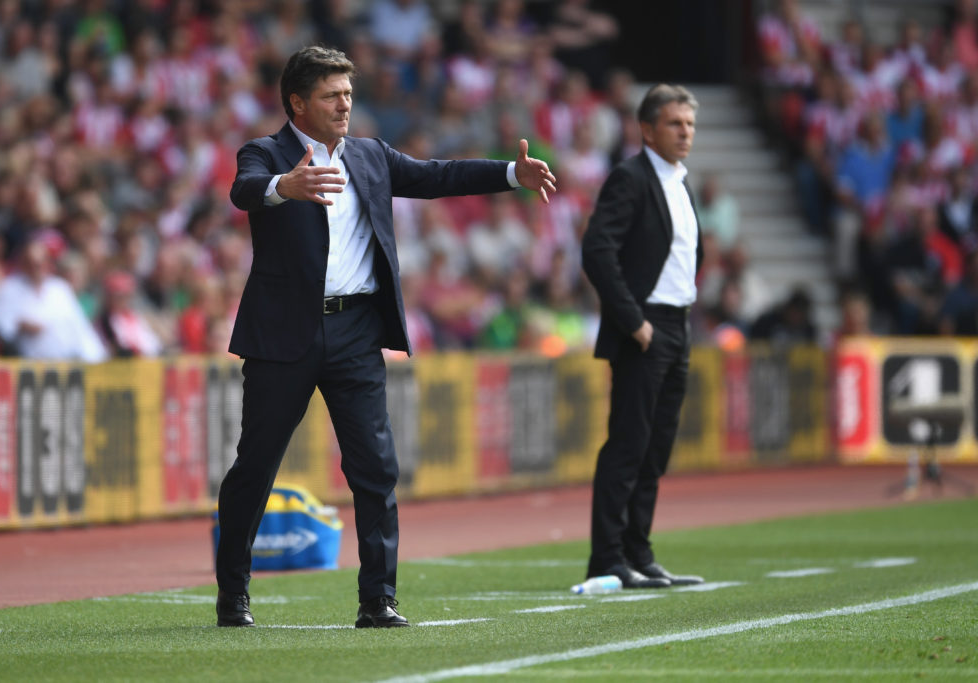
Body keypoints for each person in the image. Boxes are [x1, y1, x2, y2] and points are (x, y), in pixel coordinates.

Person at [216, 45, 555, 628]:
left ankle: (378, 599)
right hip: (283, 336)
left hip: (355, 331)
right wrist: (283, 187)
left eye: (348, 93)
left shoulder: (370, 155)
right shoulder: (266, 153)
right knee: (257, 466)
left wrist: (509, 174)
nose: (345, 103)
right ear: (297, 102)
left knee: (376, 467)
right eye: (331, 94)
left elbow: (435, 176)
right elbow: (244, 189)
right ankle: (233, 593)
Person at [580, 84, 706, 590]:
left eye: (690, 125)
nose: (685, 133)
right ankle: (608, 558)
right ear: (647, 129)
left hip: (678, 321)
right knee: (629, 445)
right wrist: (634, 321)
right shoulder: (630, 178)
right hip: (646, 325)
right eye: (675, 124)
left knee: (656, 447)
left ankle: (639, 551)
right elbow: (597, 251)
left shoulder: (680, 181)